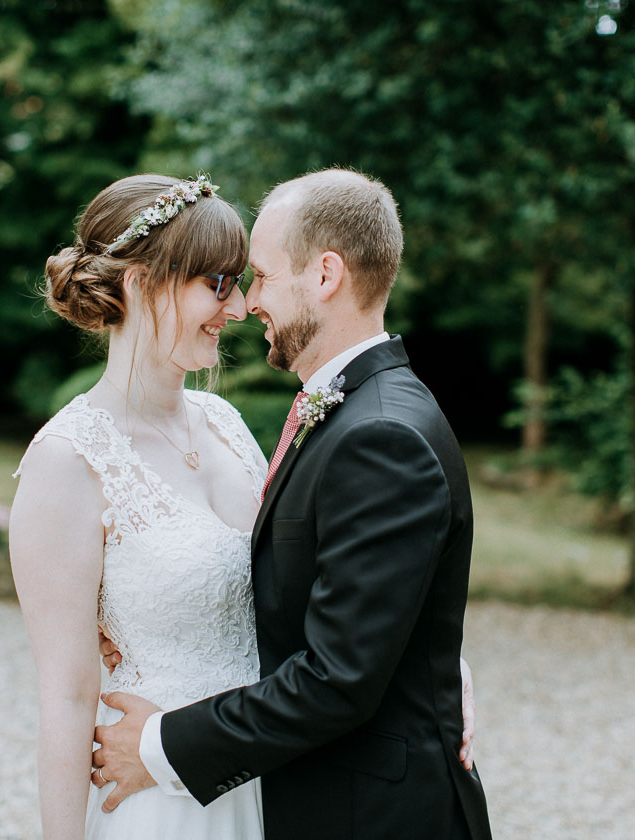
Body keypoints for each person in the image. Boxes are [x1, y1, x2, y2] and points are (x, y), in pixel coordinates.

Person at [90, 169, 493, 840]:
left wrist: (158, 748)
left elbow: (339, 678)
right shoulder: (350, 411)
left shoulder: (381, 435)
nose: (247, 303)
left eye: (261, 276)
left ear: (325, 275)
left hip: (375, 818)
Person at [9, 173, 267, 840]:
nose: (237, 307)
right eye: (216, 284)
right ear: (140, 283)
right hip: (164, 807)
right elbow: (67, 698)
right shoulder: (67, 460)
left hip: (271, 781)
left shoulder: (227, 427)